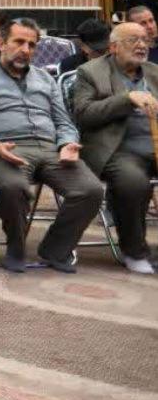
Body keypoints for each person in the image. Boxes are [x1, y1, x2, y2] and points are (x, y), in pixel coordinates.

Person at [0, 17, 103, 272]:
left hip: (49, 148)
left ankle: (55, 249)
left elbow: (64, 122)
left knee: (90, 190)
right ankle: (15, 248)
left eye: (32, 45)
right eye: (19, 42)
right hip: (4, 149)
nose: (25, 50)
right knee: (14, 187)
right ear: (1, 43)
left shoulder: (45, 79)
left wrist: (67, 143)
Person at [71, 22, 158, 273]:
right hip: (117, 150)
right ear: (113, 47)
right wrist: (126, 99)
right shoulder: (90, 72)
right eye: (133, 40)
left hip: (154, 145)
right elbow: (84, 114)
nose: (141, 45)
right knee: (133, 182)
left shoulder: (154, 72)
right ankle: (135, 251)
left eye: (145, 40)